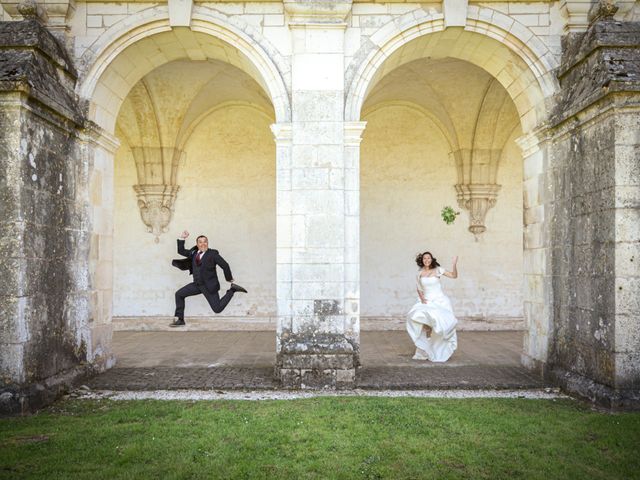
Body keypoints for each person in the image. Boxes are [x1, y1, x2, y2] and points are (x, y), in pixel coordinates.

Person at [170, 230, 247, 327]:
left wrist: (229, 278)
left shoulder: (213, 254)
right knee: (179, 294)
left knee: (217, 309)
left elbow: (225, 265)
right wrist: (182, 238)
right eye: (200, 242)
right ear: (197, 244)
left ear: (207, 243)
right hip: (197, 285)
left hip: (209, 286)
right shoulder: (193, 253)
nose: (203, 244)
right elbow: (181, 251)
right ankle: (180, 319)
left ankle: (232, 290)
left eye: (205, 241)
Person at [406, 252, 458, 362]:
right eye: (424, 258)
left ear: (431, 259)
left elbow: (454, 276)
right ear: (422, 260)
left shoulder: (438, 270)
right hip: (427, 301)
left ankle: (438, 350)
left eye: (428, 258)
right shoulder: (419, 273)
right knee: (419, 319)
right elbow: (419, 288)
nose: (426, 260)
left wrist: (454, 264)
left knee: (440, 325)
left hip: (440, 301)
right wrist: (422, 298)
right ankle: (426, 348)